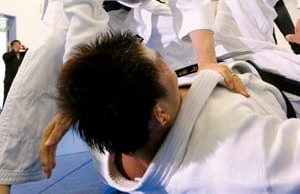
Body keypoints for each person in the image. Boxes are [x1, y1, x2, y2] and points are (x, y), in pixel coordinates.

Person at [0, 0, 245, 194]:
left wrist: (207, 62)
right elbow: (84, 13)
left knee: (138, 76)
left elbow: (190, 0)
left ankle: (125, 160)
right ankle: (4, 174)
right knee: (47, 56)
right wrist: (76, 98)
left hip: (128, 11)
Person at [39, 29, 300, 193]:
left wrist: (74, 103)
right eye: (162, 64)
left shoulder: (109, 143)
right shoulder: (246, 159)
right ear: (159, 115)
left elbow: (97, 98)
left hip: (226, 57)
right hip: (283, 79)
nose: (167, 65)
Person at [2, 40, 27, 107]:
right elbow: (6, 58)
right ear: (12, 47)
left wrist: (25, 48)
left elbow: (30, 54)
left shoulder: (22, 55)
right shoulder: (7, 55)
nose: (17, 46)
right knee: (7, 98)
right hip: (9, 81)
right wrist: (14, 51)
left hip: (20, 81)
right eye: (15, 45)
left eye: (19, 44)